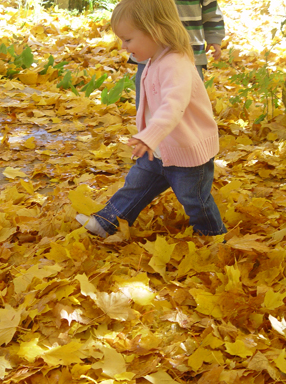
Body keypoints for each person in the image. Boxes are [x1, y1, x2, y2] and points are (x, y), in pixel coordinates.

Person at [76, 0, 227, 238]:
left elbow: (173, 106)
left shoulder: (176, 63)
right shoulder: (155, 59)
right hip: (157, 149)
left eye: (128, 39)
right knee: (135, 187)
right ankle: (106, 223)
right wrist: (150, 138)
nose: (123, 47)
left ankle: (212, 234)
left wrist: (150, 135)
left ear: (155, 32)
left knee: (195, 200)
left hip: (187, 154)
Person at [134, 0, 226, 109]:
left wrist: (214, 37)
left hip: (190, 53)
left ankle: (188, 125)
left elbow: (211, 11)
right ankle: (150, 125)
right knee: (147, 98)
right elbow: (132, 8)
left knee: (190, 97)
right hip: (150, 52)